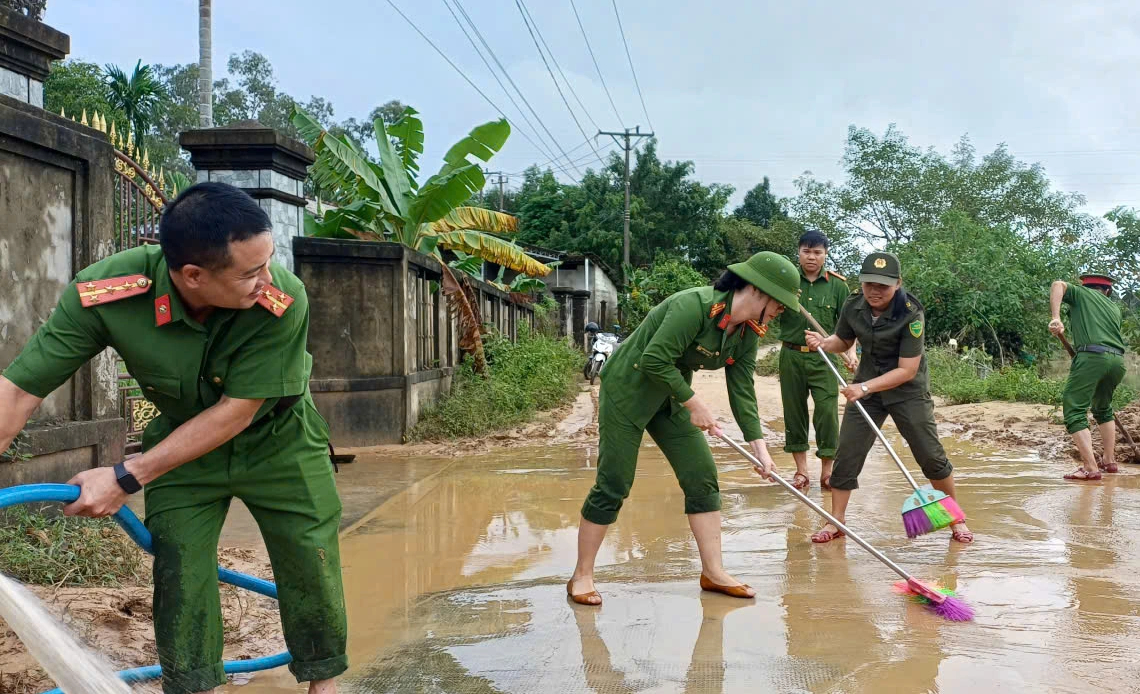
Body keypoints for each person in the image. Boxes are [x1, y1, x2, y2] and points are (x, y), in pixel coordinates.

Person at [0, 182, 346, 694]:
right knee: (180, 567)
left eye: (267, 262)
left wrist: (124, 475)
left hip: (280, 439)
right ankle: (192, 686)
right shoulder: (109, 294)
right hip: (181, 445)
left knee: (308, 557)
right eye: (250, 272)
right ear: (193, 275)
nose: (267, 279)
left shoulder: (282, 301)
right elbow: (16, 393)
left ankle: (323, 683)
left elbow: (236, 413)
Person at [567, 251, 801, 605]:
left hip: (670, 396)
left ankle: (713, 572)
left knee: (701, 474)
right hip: (629, 388)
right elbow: (654, 359)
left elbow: (742, 390)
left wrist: (759, 447)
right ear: (758, 291)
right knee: (614, 481)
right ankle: (581, 576)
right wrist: (695, 403)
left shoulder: (747, 334)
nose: (781, 310)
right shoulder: (692, 306)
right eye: (780, 303)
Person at [805, 252, 973, 545]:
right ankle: (836, 521)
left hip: (906, 391)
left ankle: (956, 519)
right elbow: (843, 340)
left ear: (897, 283)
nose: (874, 290)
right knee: (847, 454)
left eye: (883, 285)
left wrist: (865, 388)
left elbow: (907, 370)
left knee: (930, 456)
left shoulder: (911, 313)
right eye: (869, 283)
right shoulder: (854, 303)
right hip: (866, 388)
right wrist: (824, 343)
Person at [772, 229, 857, 491]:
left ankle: (827, 472)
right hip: (791, 356)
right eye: (806, 251)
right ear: (798, 253)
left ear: (826, 254)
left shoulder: (838, 285)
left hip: (825, 358)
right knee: (794, 411)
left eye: (817, 252)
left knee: (827, 413)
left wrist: (852, 354)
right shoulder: (785, 283)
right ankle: (801, 473)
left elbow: (850, 327)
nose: (811, 257)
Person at [1049, 272, 1128, 481]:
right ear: (1107, 291)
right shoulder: (1114, 308)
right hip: (1117, 361)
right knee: (1103, 408)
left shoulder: (1081, 293)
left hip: (1092, 357)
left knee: (1074, 407)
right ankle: (1109, 461)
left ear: (1085, 286)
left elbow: (1058, 284)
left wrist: (1056, 318)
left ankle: (1090, 467)